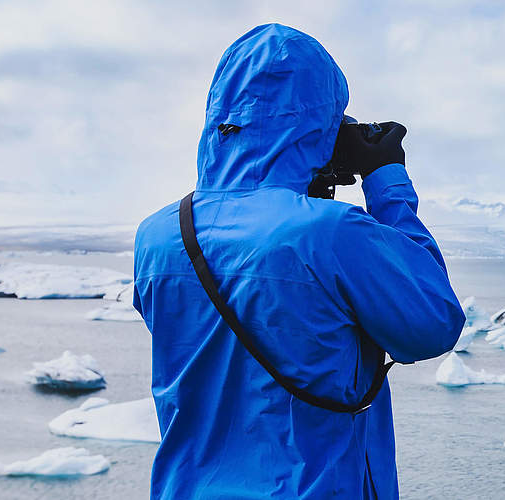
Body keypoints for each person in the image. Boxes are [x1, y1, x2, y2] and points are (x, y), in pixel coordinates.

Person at [133, 24, 465, 499]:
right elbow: (433, 323)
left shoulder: (158, 234)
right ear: (319, 126)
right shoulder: (328, 232)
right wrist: (385, 178)